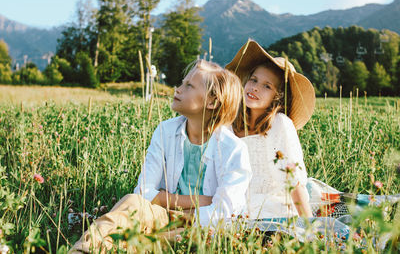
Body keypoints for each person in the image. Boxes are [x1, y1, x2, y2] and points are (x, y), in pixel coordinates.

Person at [69, 60, 252, 253]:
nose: (177, 89)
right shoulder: (166, 130)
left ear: (212, 101)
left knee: (150, 240)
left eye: (189, 86)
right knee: (132, 202)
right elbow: (142, 191)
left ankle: (122, 244)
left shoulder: (233, 149)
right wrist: (198, 200)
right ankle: (81, 250)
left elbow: (223, 214)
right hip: (165, 215)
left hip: (205, 228)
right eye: (182, 83)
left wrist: (168, 203)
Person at [226, 40, 316, 219]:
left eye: (267, 86)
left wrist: (308, 225)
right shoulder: (229, 123)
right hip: (233, 205)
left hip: (272, 206)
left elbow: (292, 179)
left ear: (277, 98)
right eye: (253, 80)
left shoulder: (279, 124)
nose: (255, 88)